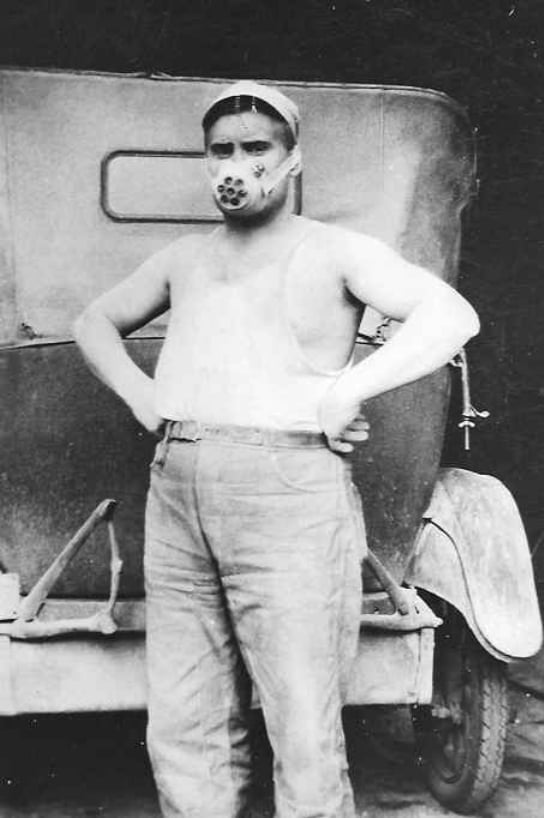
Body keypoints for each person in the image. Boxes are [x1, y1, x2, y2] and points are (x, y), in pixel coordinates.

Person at [73, 80, 479, 818]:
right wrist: (141, 395)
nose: (236, 164)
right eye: (221, 150)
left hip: (289, 490)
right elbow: (94, 321)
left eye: (255, 148)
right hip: (178, 486)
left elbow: (449, 313)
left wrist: (350, 389)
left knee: (303, 720)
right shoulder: (184, 258)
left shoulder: (334, 251)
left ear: (292, 160)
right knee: (184, 717)